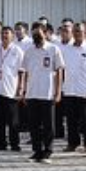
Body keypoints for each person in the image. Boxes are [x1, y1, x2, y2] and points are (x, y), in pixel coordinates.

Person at [19, 21, 63, 162]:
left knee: (49, 125)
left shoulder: (53, 49)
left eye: (38, 32)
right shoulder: (29, 51)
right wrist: (24, 91)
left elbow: (59, 70)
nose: (36, 35)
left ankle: (48, 151)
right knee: (34, 125)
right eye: (34, 33)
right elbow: (24, 72)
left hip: (48, 93)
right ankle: (37, 151)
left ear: (45, 32)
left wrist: (58, 92)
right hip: (32, 93)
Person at [60, 22, 86, 154]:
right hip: (69, 89)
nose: (78, 34)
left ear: (85, 33)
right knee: (71, 119)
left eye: (80, 31)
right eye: (75, 31)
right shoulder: (66, 50)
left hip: (84, 90)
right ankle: (72, 143)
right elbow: (62, 70)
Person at [0, 24, 23, 152]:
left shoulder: (17, 51)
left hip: (11, 89)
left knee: (13, 120)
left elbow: (21, 71)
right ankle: (1, 143)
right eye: (3, 33)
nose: (4, 36)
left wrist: (21, 88)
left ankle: (15, 143)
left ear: (12, 36)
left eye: (7, 33)